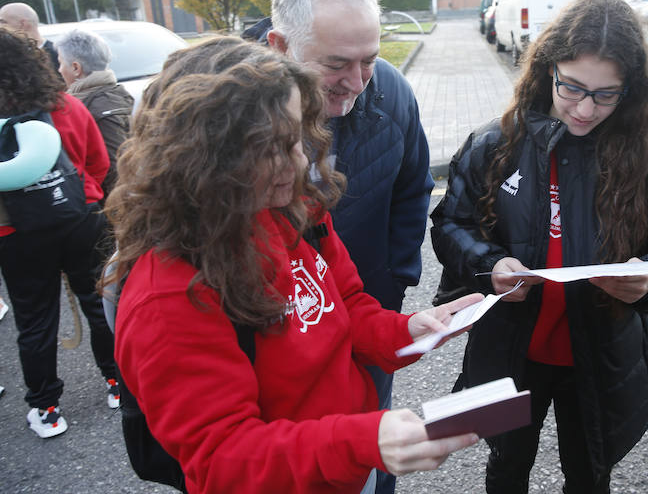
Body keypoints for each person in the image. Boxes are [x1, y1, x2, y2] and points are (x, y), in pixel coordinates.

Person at [109, 39, 481, 494]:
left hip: (347, 461)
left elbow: (343, 305)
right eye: (274, 147)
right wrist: (361, 442)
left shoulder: (293, 206)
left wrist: (407, 331)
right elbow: (222, 460)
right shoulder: (169, 294)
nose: (301, 161)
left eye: (299, 138)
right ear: (204, 159)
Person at [430, 0, 648, 492]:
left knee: (588, 473)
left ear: (631, 90)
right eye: (572, 88)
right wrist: (489, 265)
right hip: (514, 351)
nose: (585, 108)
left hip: (601, 360)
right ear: (547, 70)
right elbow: (452, 224)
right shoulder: (497, 143)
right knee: (507, 465)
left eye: (606, 94)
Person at [263, 0, 434, 494]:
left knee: (371, 439)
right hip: (280, 340)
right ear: (280, 47)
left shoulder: (391, 91)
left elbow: (413, 190)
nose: (359, 82)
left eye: (371, 59)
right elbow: (224, 453)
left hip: (367, 314)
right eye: (338, 63)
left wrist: (391, 291)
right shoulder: (229, 124)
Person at [0, 28, 118, 438]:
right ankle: (117, 382)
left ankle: (46, 408)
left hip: (16, 232)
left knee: (35, 319)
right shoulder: (65, 104)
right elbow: (98, 162)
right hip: (80, 215)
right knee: (98, 300)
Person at [55, 29, 133, 199]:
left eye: (60, 63)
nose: (59, 70)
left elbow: (117, 170)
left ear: (76, 68)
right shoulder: (108, 95)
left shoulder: (102, 106)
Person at [0, 2, 59, 70]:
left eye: (3, 22)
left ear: (22, 24)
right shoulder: (7, 57)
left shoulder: (57, 56)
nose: (1, 27)